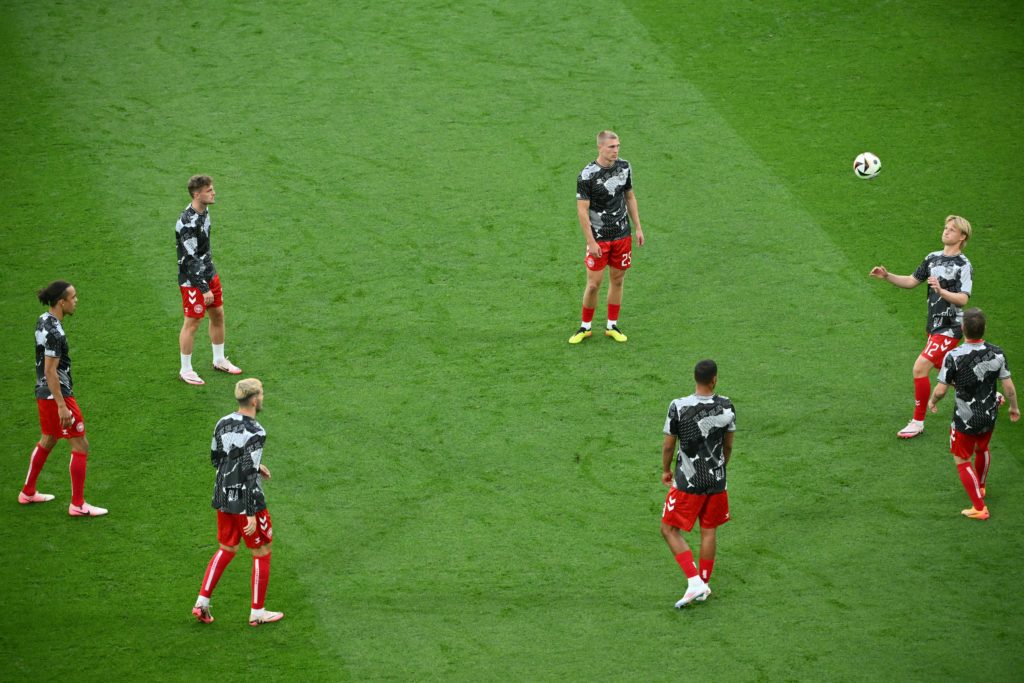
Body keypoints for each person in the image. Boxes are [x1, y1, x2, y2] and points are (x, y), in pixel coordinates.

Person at [870, 215, 973, 438]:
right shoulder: (932, 258)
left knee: (919, 368)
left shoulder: (963, 265)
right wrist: (887, 276)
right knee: (948, 372)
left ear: (962, 236)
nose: (946, 232)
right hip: (933, 327)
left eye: (952, 230)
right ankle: (990, 396)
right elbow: (911, 281)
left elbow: (963, 299)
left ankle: (918, 422)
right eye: (945, 227)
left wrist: (941, 290)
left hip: (951, 326)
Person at [192, 378, 283, 626]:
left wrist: (254, 465)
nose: (262, 398)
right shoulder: (257, 431)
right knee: (261, 551)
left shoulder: (222, 422)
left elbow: (216, 458)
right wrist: (251, 510)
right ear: (254, 400)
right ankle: (257, 612)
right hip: (245, 499)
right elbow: (247, 474)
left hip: (222, 495)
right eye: (261, 394)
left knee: (227, 548)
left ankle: (202, 603)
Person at [19, 281, 108, 516]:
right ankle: (77, 505)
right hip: (57, 394)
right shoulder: (56, 333)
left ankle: (28, 491)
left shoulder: (43, 319)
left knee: (48, 438)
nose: (76, 300)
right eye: (73, 297)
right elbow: (50, 371)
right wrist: (61, 405)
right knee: (81, 444)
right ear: (62, 302)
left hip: (43, 392)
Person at [927, 308, 1019, 520]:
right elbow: (1009, 388)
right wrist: (1014, 407)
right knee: (983, 448)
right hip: (989, 414)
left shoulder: (954, 355)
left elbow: (941, 390)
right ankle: (982, 486)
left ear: (962, 329)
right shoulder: (997, 352)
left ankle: (979, 507)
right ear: (984, 328)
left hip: (966, 418)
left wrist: (932, 402)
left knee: (961, 459)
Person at [660, 359, 735, 608]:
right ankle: (703, 582)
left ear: (695, 378)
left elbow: (669, 444)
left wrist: (666, 469)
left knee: (669, 529)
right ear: (714, 379)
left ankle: (694, 582)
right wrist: (722, 467)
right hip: (716, 479)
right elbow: (728, 445)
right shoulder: (726, 406)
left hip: (688, 480)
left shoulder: (679, 406)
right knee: (709, 530)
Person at [568, 130, 645, 344]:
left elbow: (629, 196)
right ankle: (585, 326)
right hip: (599, 239)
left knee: (618, 280)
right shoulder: (587, 175)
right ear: (600, 147)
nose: (616, 150)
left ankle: (612, 325)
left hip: (622, 235)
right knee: (593, 284)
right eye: (612, 147)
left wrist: (638, 227)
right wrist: (591, 241)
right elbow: (582, 211)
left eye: (618, 146)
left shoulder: (624, 167)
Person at [177, 174, 242, 385]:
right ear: (197, 194)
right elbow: (190, 259)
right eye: (209, 190)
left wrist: (210, 277)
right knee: (193, 322)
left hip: (209, 272)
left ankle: (219, 359)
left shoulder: (205, 210)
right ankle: (185, 369)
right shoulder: (186, 222)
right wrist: (204, 288)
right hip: (193, 281)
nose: (214, 193)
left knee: (218, 314)